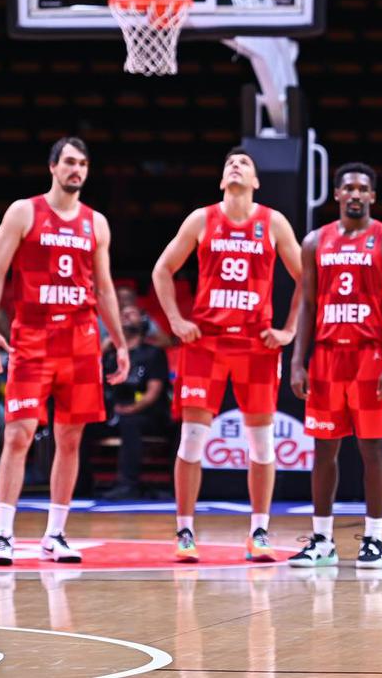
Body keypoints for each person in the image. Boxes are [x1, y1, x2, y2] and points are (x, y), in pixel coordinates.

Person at [0, 137, 129, 566]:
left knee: (70, 438)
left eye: (82, 163)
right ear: (52, 167)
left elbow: (104, 288)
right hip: (34, 337)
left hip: (81, 340)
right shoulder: (24, 211)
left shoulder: (96, 223)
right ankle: (3, 534)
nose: (75, 169)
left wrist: (118, 342)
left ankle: (55, 533)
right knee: (19, 434)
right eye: (68, 162)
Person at [150, 146, 303, 562]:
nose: (236, 166)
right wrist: (177, 321)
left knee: (261, 442)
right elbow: (162, 270)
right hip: (207, 342)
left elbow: (307, 278)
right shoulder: (202, 219)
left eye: (245, 164)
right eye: (230, 163)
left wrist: (288, 329)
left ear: (255, 181)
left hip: (256, 343)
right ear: (222, 181)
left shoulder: (273, 222)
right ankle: (184, 531)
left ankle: (259, 532)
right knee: (193, 438)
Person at [288, 162, 382, 569]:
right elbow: (306, 305)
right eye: (348, 188)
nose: (355, 194)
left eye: (363, 188)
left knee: (373, 449)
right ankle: (322, 539)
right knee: (323, 449)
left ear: (372, 196)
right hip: (325, 357)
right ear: (337, 194)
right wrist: (297, 361)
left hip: (370, 355)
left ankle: (373, 538)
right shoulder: (314, 242)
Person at [98, 305, 171, 500]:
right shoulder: (109, 354)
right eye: (121, 314)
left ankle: (128, 485)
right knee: (80, 425)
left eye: (132, 313)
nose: (125, 316)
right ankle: (81, 484)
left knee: (130, 423)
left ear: (143, 322)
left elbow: (153, 392)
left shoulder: (153, 353)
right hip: (112, 412)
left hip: (146, 413)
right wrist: (101, 353)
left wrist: (131, 408)